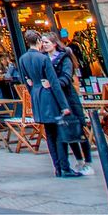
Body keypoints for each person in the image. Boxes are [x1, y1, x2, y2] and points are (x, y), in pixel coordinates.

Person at [18, 29, 78, 178]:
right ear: (38, 41)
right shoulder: (43, 58)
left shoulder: (22, 59)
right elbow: (54, 84)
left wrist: (33, 93)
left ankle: (57, 168)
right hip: (50, 97)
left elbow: (27, 82)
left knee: (50, 134)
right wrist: (64, 105)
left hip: (37, 97)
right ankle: (65, 168)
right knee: (59, 134)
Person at [47, 31, 93, 176]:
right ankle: (79, 160)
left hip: (69, 98)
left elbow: (67, 77)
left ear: (54, 43)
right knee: (67, 130)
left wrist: (52, 84)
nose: (44, 45)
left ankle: (88, 162)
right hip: (56, 99)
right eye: (43, 42)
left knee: (78, 129)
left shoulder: (64, 58)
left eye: (46, 42)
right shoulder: (45, 59)